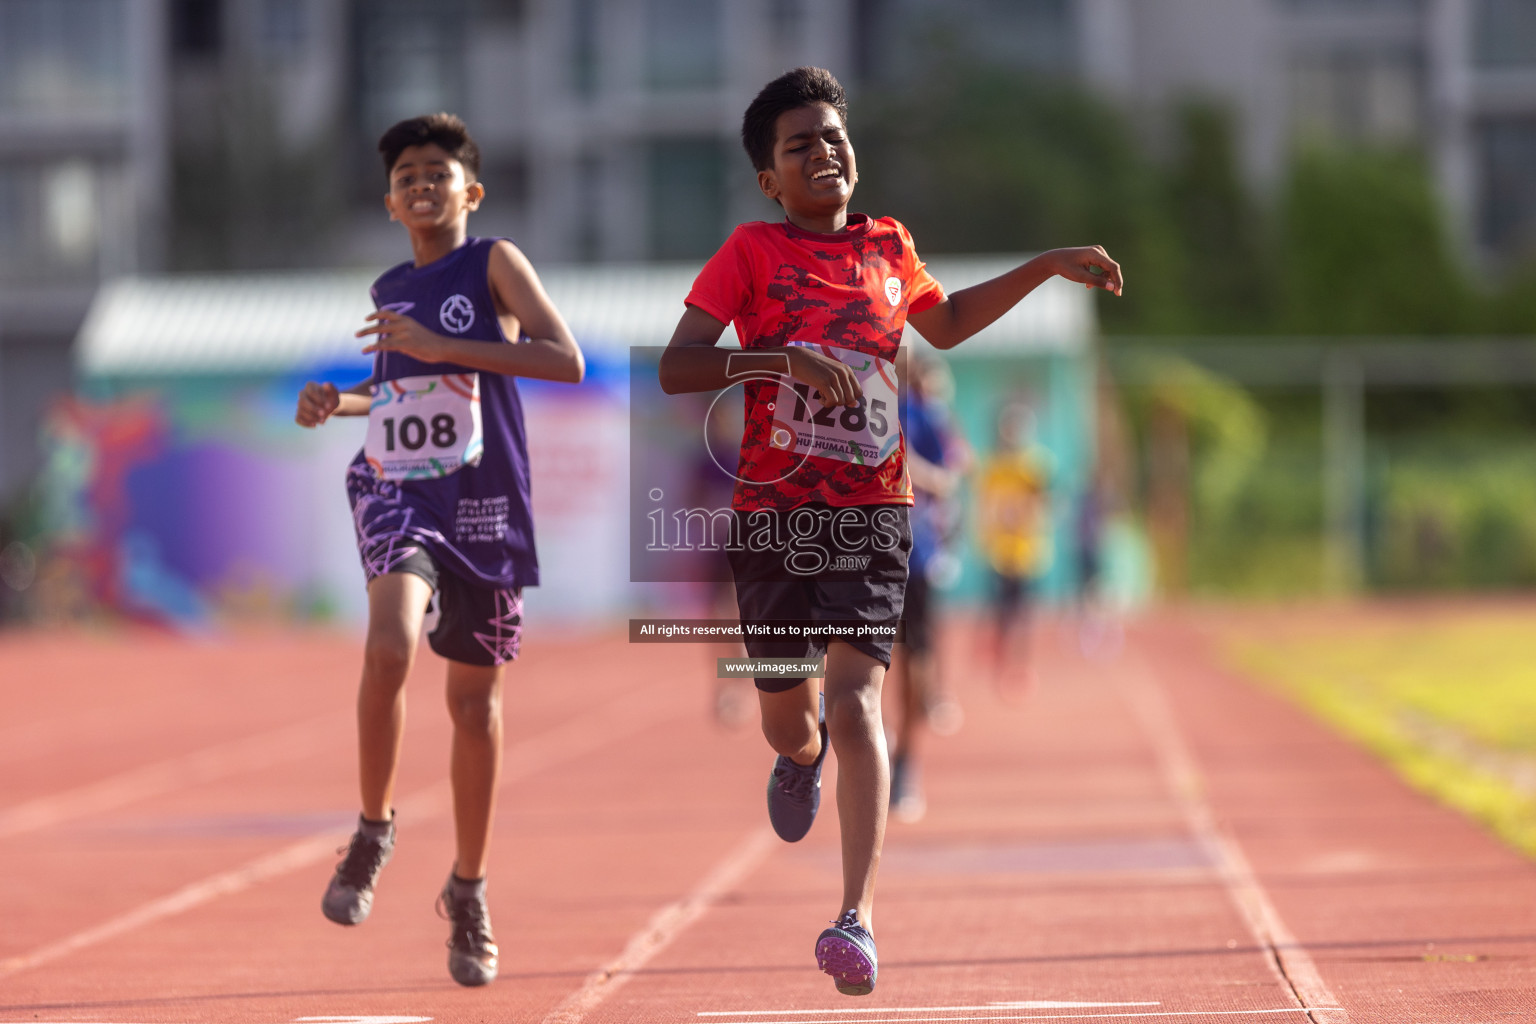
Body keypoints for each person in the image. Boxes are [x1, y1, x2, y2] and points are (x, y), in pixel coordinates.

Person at [657, 67, 1121, 996]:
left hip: (875, 512)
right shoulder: (747, 254)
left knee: (859, 697)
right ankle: (798, 761)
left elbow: (943, 328)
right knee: (790, 715)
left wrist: (1042, 265)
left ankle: (856, 918)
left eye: (834, 134)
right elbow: (678, 368)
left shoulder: (890, 244)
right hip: (776, 520)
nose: (826, 151)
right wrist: (776, 357)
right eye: (801, 145)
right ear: (770, 181)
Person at [293, 113, 583, 987]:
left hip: (485, 503)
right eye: (407, 175)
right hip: (400, 486)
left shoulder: (494, 261)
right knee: (387, 646)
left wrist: (445, 345)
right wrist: (334, 403)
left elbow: (563, 358)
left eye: (437, 171)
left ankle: (467, 889)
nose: (422, 184)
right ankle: (375, 827)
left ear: (471, 190)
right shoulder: (388, 287)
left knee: (473, 708)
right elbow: (395, 395)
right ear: (390, 202)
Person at [888, 354, 969, 823]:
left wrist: (907, 462)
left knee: (912, 662)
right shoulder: (841, 400)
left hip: (913, 556)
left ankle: (905, 764)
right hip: (850, 554)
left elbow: (951, 480)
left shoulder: (928, 415)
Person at [977, 402, 1054, 692]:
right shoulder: (993, 465)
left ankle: (1021, 665)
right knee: (1001, 610)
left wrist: (1024, 513)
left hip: (1027, 549)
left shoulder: (1034, 464)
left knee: (1023, 611)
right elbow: (985, 504)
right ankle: (1001, 659)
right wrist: (988, 530)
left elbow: (1045, 503)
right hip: (998, 550)